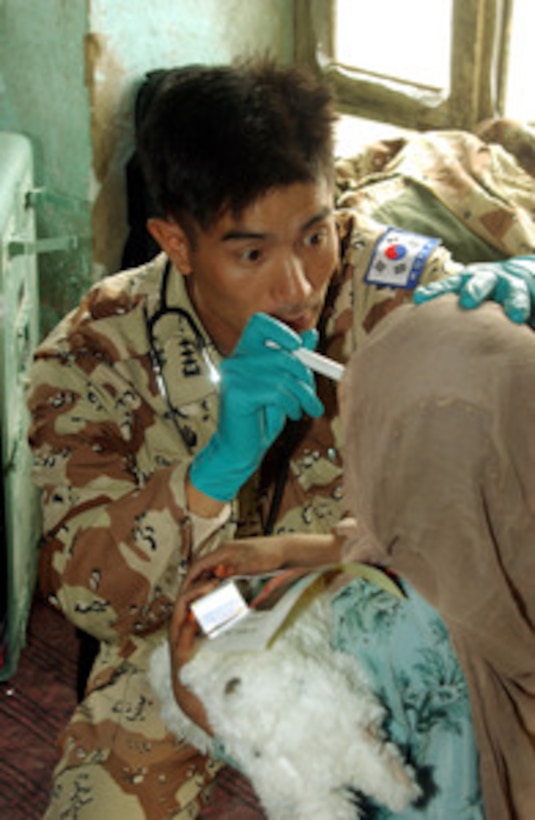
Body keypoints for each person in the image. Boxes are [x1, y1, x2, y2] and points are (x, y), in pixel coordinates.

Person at [26, 59, 535, 819]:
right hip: (201, 612)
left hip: (378, 587)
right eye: (251, 253)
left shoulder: (398, 286)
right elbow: (88, 595)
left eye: (315, 234)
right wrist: (212, 473)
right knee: (105, 790)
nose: (297, 286)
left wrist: (517, 315)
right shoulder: (93, 353)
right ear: (176, 240)